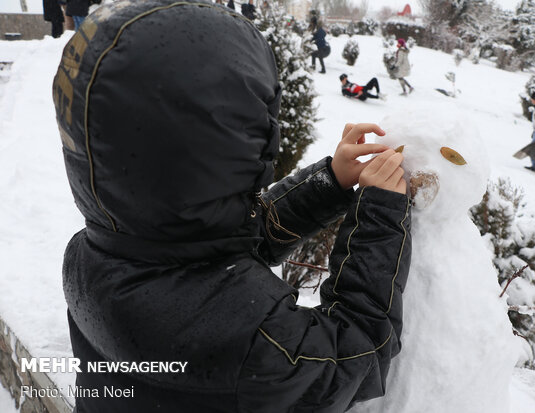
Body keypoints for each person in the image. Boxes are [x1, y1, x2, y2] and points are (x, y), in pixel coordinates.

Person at [53, 2, 413, 411]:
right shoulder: (250, 338)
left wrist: (328, 182)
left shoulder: (95, 253)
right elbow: (356, 353)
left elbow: (217, 245)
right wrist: (380, 215)